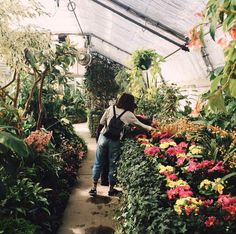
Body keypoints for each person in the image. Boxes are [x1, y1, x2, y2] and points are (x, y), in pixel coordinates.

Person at [89, 93, 155, 197]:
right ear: (130, 103)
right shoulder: (128, 114)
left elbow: (101, 124)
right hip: (114, 141)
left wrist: (98, 139)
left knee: (98, 163)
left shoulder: (111, 108)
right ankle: (111, 190)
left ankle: (93, 188)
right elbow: (140, 125)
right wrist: (152, 129)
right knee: (112, 165)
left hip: (104, 137)